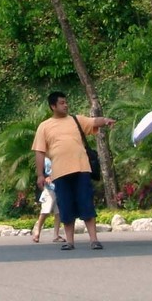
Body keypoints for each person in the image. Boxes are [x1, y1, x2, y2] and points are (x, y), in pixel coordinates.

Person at [32, 91, 117, 251]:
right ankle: (69, 241)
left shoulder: (75, 120)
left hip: (81, 168)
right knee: (65, 206)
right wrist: (40, 175)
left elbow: (93, 121)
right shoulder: (44, 126)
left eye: (66, 102)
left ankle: (94, 240)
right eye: (62, 103)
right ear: (53, 106)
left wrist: (105, 120)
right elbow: (39, 152)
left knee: (86, 203)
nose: (66, 105)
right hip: (60, 172)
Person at [31, 156, 64, 243]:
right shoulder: (44, 160)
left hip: (59, 187)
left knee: (58, 212)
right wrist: (45, 177)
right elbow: (41, 172)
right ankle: (37, 230)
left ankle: (56, 235)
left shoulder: (58, 157)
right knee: (45, 211)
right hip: (49, 188)